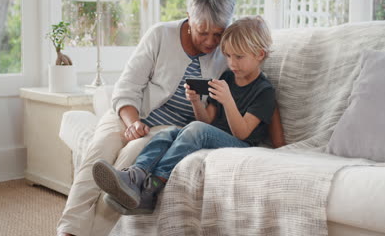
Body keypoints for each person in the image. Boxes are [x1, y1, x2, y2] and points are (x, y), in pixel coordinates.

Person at [57, 0, 238, 236]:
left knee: (127, 165)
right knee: (99, 151)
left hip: (166, 131)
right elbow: (126, 87)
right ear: (189, 17)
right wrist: (133, 123)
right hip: (127, 114)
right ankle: (67, 231)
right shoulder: (160, 35)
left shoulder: (225, 56)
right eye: (203, 31)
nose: (210, 42)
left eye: (218, 33)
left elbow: (211, 112)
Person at [92, 15, 280, 215]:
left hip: (242, 146)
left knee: (195, 130)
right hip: (214, 137)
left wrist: (228, 101)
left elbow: (242, 133)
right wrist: (196, 101)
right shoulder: (227, 77)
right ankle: (135, 175)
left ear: (260, 54)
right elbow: (206, 120)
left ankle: (152, 188)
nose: (232, 63)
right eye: (228, 55)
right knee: (168, 133)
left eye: (239, 57)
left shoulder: (263, 91)